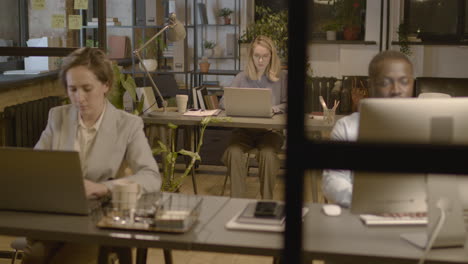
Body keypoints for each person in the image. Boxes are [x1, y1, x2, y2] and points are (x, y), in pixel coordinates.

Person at [22, 47, 161, 264]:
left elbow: (151, 176)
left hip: (100, 221)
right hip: (58, 217)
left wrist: (104, 188)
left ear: (105, 85)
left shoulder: (128, 125)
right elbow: (34, 167)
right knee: (35, 255)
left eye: (87, 88)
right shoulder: (57, 117)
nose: (79, 98)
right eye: (72, 89)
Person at [322, 50, 414, 208]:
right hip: (362, 212)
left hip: (416, 217)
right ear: (371, 85)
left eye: (404, 82)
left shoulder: (427, 128)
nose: (396, 90)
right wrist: (376, 201)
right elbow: (333, 180)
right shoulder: (346, 128)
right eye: (386, 82)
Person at [220, 35, 287, 199]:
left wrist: (275, 108)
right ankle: (237, 201)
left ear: (271, 56)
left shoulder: (282, 77)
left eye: (265, 56)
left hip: (271, 132)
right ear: (251, 56)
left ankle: (267, 201)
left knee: (268, 155)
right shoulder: (241, 77)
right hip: (244, 132)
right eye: (257, 56)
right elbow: (223, 102)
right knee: (233, 152)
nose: (261, 60)